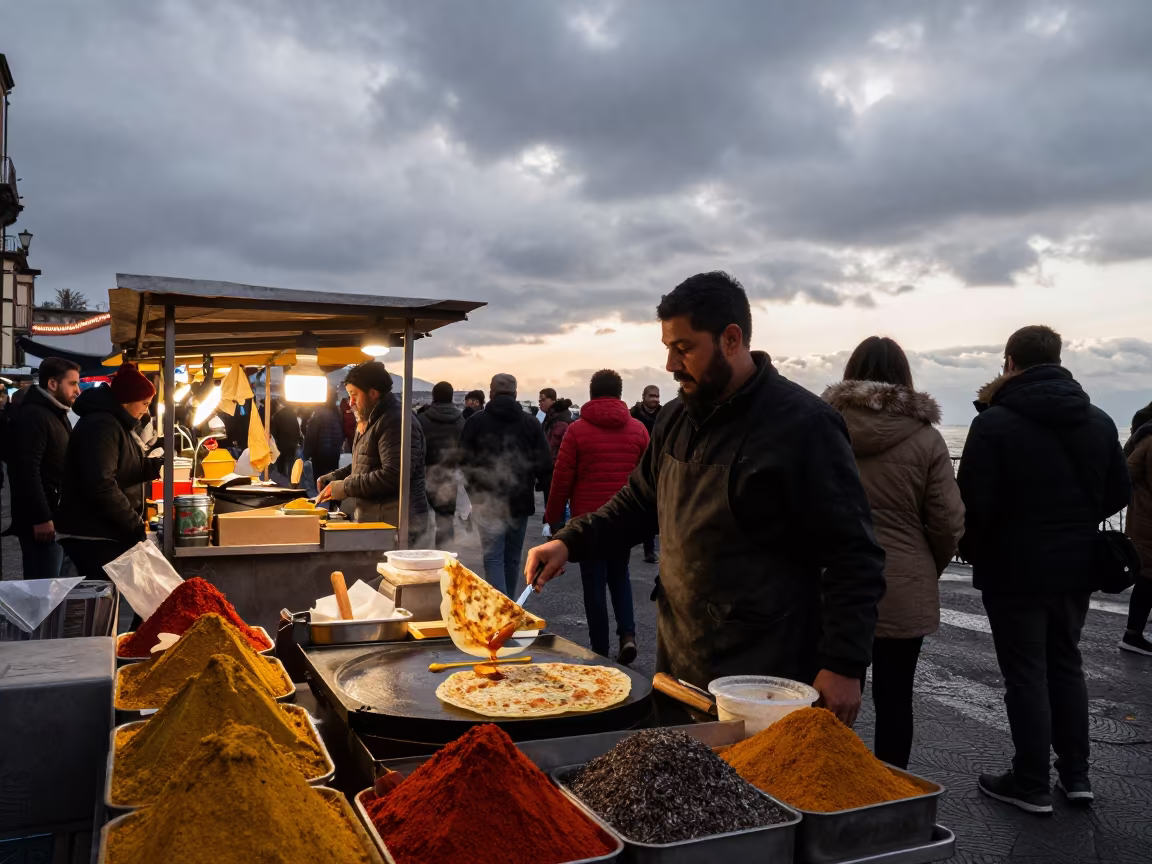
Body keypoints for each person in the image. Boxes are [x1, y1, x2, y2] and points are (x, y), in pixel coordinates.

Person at [526, 272, 886, 727]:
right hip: (680, 661)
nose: (672, 365)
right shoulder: (675, 418)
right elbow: (638, 504)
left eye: (684, 348)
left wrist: (843, 664)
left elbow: (854, 554)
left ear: (731, 339)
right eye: (668, 349)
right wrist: (569, 541)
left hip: (766, 673)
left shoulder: (805, 426)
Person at [958, 325, 1130, 813]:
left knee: (1026, 673)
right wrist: (1075, 519)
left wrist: (980, 544)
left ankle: (1030, 781)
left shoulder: (993, 424)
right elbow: (1120, 491)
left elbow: (974, 501)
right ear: (1058, 358)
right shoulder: (1097, 421)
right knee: (1065, 663)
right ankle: (1076, 776)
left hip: (1013, 567)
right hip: (1076, 563)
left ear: (1009, 361)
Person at [822, 337, 965, 769]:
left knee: (827, 694)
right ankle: (890, 794)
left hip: (832, 583)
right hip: (902, 586)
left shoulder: (822, 428)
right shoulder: (926, 439)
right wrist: (924, 566)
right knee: (896, 699)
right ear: (905, 379)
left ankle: (820, 784)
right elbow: (948, 521)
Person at [546, 370, 649, 663]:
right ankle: (627, 635)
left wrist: (554, 522)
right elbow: (650, 479)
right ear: (619, 394)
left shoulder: (576, 431)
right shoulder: (639, 429)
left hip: (587, 523)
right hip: (626, 520)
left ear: (591, 394)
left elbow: (561, 481)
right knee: (620, 576)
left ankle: (600, 649)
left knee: (593, 583)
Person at [56, 364, 163, 581]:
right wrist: (132, 523)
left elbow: (121, 467)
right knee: (100, 603)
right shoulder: (102, 426)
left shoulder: (114, 423)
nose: (145, 410)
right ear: (126, 400)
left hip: (102, 531)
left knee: (110, 602)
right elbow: (101, 484)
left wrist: (154, 467)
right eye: (144, 403)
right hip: (93, 534)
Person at [459, 373, 553, 595]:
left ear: (490, 393)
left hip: (487, 502)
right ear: (516, 393)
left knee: (492, 557)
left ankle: (501, 613)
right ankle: (509, 608)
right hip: (520, 502)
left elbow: (463, 461)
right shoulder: (530, 422)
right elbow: (545, 464)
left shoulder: (476, 421)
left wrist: (475, 495)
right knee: (512, 558)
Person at [317, 362, 429, 544]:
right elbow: (366, 463)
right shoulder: (370, 420)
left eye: (354, 395)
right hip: (377, 521)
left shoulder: (395, 422)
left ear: (373, 394)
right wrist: (334, 477)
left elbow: (394, 475)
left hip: (396, 524)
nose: (350, 403)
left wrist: (345, 487)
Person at [7, 358, 82, 580]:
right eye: (73, 384)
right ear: (52, 384)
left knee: (54, 588)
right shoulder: (34, 415)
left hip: (56, 518)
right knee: (43, 592)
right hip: (41, 525)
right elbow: (26, 471)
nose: (78, 391)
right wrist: (41, 517)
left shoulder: (57, 413)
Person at [1121, 401, 1152, 655]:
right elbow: (1127, 473)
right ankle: (1133, 635)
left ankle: (1134, 634)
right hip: (1147, 521)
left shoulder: (1145, 434)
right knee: (1148, 578)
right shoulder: (1149, 439)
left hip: (1143, 517)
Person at [418, 381, 465, 547]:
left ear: (434, 396)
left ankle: (419, 557)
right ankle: (444, 560)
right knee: (445, 522)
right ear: (451, 397)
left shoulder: (422, 419)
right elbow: (463, 451)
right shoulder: (461, 420)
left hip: (423, 476)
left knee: (419, 522)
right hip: (449, 477)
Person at [631, 384, 663, 562]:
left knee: (651, 509)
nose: (655, 400)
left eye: (657, 396)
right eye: (651, 396)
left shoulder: (665, 415)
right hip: (635, 466)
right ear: (643, 396)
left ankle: (649, 550)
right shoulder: (633, 415)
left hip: (658, 468)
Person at [303, 391, 345, 480]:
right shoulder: (337, 412)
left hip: (320, 455)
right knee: (332, 480)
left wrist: (307, 453)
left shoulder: (317, 413)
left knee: (320, 481)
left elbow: (311, 436)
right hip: (334, 454)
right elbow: (342, 432)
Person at [270, 401, 301, 475]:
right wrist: (296, 441)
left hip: (281, 445)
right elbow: (297, 430)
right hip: (292, 444)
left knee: (281, 464)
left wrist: (276, 443)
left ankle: (282, 480)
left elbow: (273, 432)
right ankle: (291, 481)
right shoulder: (293, 415)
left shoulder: (277, 415)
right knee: (291, 463)